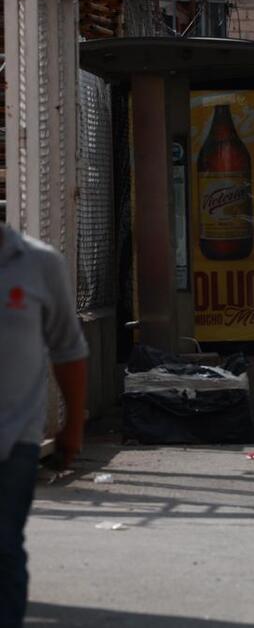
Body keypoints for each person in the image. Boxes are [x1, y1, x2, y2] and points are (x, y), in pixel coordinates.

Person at [0, 224, 89, 628]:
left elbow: (68, 348)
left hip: (14, 438)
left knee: (3, 547)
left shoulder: (38, 264)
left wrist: (73, 423)